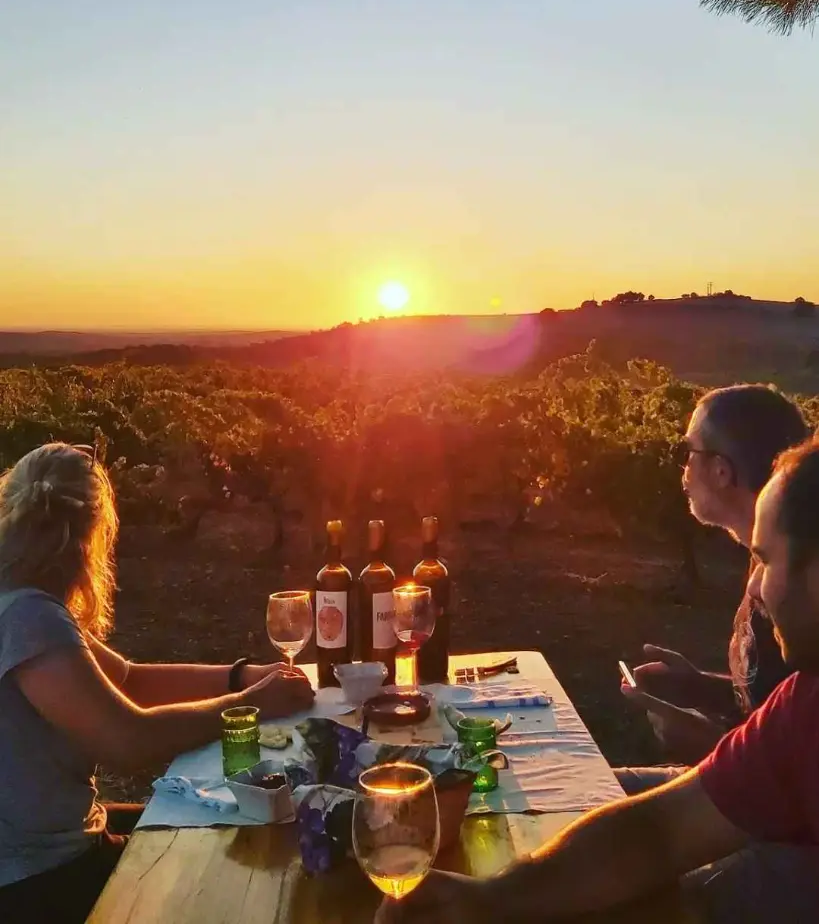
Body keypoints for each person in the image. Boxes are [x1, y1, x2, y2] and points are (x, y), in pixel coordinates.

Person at [377, 437, 819, 923]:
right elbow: (661, 829)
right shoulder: (805, 702)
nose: (755, 585)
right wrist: (493, 898)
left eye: (768, 561)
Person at [0, 443, 315, 924]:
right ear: (91, 535)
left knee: (215, 825)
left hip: (52, 853)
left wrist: (242, 675)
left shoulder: (21, 600)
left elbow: (130, 679)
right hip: (38, 884)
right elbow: (129, 739)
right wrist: (249, 704)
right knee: (233, 870)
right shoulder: (26, 616)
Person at [616, 385, 808, 789]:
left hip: (768, 816)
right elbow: (775, 701)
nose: (683, 467)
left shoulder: (797, 587)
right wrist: (699, 684)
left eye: (691, 453)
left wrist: (710, 743)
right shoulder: (765, 560)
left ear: (722, 471)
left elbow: (800, 772)